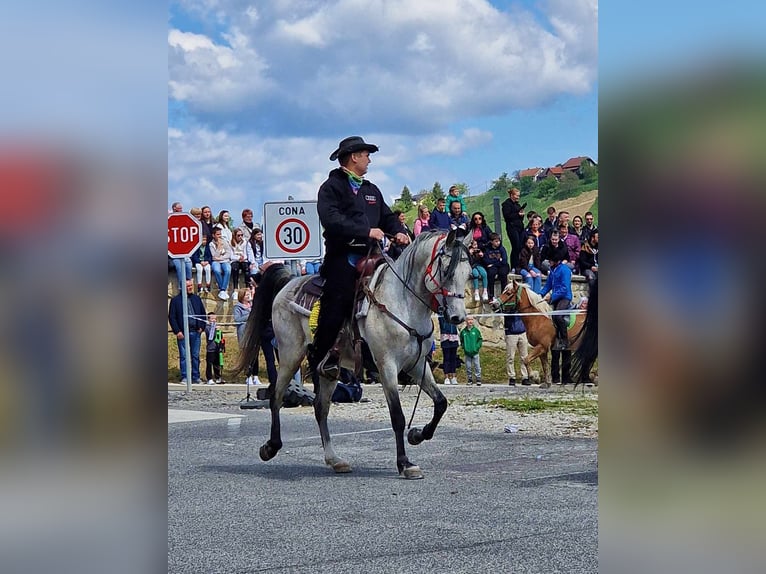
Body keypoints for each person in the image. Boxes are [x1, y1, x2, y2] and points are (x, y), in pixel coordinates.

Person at [309, 136, 410, 380]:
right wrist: (365, 231)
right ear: (354, 156)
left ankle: (404, 354)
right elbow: (331, 219)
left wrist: (398, 231)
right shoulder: (331, 187)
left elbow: (387, 216)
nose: (369, 159)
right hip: (343, 255)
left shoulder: (371, 189)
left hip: (374, 255)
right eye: (366, 155)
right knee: (338, 300)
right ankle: (322, 356)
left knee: (399, 289)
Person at [168, 279, 206, 383]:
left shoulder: (196, 299)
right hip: (183, 333)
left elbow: (203, 314)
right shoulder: (176, 300)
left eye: (191, 286)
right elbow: (172, 317)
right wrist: (177, 331)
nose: (190, 288)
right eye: (187, 286)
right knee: (184, 356)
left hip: (195, 332)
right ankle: (185, 376)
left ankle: (195, 376)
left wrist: (201, 327)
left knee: (195, 355)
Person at [538, 251, 572, 351]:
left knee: (558, 316)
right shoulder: (553, 270)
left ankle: (565, 340)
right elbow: (548, 284)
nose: (549, 262)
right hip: (555, 297)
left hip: (564, 297)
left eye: (551, 260)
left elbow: (565, 288)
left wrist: (552, 296)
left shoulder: (565, 270)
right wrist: (541, 294)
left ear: (556, 261)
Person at [232, 287, 261, 385]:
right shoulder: (237, 307)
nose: (249, 296)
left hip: (254, 333)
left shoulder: (253, 306)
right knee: (246, 356)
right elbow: (237, 319)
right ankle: (248, 376)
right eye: (246, 295)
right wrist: (250, 315)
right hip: (244, 333)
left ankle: (256, 376)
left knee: (255, 356)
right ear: (242, 296)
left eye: (249, 294)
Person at [501, 187, 526, 272]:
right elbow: (507, 217)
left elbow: (519, 218)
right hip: (512, 228)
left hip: (520, 227)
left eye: (519, 196)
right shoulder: (506, 204)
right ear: (511, 195)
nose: (518, 197)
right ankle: (514, 266)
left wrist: (522, 215)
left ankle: (520, 264)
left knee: (520, 246)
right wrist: (518, 214)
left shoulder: (517, 205)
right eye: (516, 195)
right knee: (516, 246)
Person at [481, 232, 510, 302]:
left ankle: (503, 294)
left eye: (499, 241)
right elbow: (486, 260)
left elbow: (504, 261)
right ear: (491, 242)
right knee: (491, 273)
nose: (498, 243)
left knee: (503, 274)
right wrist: (498, 261)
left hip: (502, 266)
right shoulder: (487, 249)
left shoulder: (502, 249)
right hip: (494, 267)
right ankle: (491, 295)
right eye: (496, 241)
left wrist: (493, 263)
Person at [504, 312, 530, 386]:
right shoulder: (507, 307)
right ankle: (512, 377)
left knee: (524, 356)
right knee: (510, 357)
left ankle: (525, 377)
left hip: (522, 332)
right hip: (511, 333)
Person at [209, 226, 233, 300]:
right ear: (213, 235)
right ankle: (222, 289)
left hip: (224, 260)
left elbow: (229, 253)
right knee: (217, 270)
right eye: (218, 234)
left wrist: (221, 258)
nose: (220, 236)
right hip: (215, 262)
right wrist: (219, 247)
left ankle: (222, 289)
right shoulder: (211, 244)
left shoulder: (224, 242)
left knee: (228, 270)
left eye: (220, 234)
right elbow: (214, 256)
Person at [459, 315, 483, 386]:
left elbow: (480, 339)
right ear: (466, 321)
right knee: (468, 367)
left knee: (477, 366)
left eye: (471, 320)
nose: (470, 321)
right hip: (467, 353)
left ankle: (478, 379)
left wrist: (477, 347)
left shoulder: (476, 331)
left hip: (475, 352)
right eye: (469, 320)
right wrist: (464, 347)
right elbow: (462, 340)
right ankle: (470, 379)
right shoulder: (463, 332)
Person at [438, 314, 459, 385]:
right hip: (445, 337)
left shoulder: (454, 314)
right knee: (446, 358)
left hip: (454, 337)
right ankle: (446, 377)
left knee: (453, 358)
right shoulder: (441, 315)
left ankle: (453, 377)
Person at [204, 311, 224, 384]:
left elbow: (220, 337)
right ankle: (209, 378)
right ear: (208, 319)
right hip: (210, 349)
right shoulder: (207, 327)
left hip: (217, 348)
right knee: (209, 364)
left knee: (217, 364)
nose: (214, 320)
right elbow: (210, 336)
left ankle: (218, 377)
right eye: (212, 319)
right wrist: (214, 329)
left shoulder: (217, 327)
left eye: (215, 319)